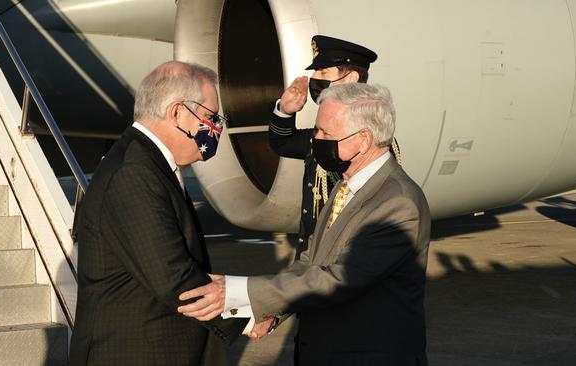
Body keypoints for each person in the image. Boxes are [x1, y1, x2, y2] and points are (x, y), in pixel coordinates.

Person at [178, 83, 430, 365]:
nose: (314, 140)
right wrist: (272, 311)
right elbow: (311, 262)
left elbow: (337, 279)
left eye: (324, 133)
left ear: (363, 139)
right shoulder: (346, 186)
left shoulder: (397, 202)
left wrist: (236, 290)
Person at [69, 61, 248, 366]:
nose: (214, 129)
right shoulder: (134, 173)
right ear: (177, 112)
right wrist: (247, 314)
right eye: (208, 117)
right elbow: (172, 275)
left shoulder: (146, 162)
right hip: (134, 353)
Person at [269, 34, 402, 258]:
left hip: (346, 257)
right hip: (313, 254)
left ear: (351, 79)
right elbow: (282, 144)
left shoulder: (372, 140)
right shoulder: (321, 135)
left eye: (323, 72)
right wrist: (285, 110)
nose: (314, 79)